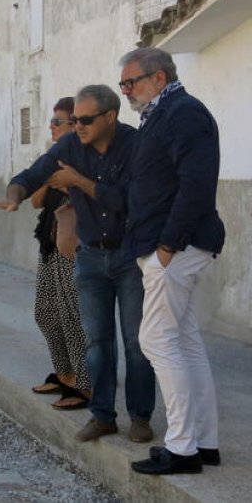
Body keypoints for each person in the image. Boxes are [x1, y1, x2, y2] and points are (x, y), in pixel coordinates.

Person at [0, 85, 155, 445]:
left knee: (137, 342)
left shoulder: (137, 145)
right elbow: (34, 174)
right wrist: (13, 195)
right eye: (75, 119)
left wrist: (77, 181)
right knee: (96, 340)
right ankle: (102, 415)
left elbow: (131, 199)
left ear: (111, 116)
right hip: (90, 255)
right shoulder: (69, 146)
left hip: (129, 256)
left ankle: (140, 417)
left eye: (86, 120)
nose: (78, 126)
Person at [119, 48, 225, 476]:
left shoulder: (183, 113)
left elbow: (197, 184)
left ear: (158, 78)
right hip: (169, 246)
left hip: (175, 248)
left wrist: (167, 245)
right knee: (183, 340)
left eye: (132, 82)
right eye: (123, 84)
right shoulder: (161, 115)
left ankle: (182, 449)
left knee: (157, 340)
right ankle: (204, 441)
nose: (126, 90)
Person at [25, 97, 91, 411]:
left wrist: (69, 183)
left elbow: (96, 201)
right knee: (45, 313)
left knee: (72, 317)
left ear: (73, 125)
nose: (51, 127)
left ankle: (84, 383)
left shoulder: (84, 160)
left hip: (73, 246)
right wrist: (46, 173)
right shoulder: (53, 159)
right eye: (51, 121)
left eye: (57, 122)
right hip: (49, 242)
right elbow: (37, 201)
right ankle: (64, 373)